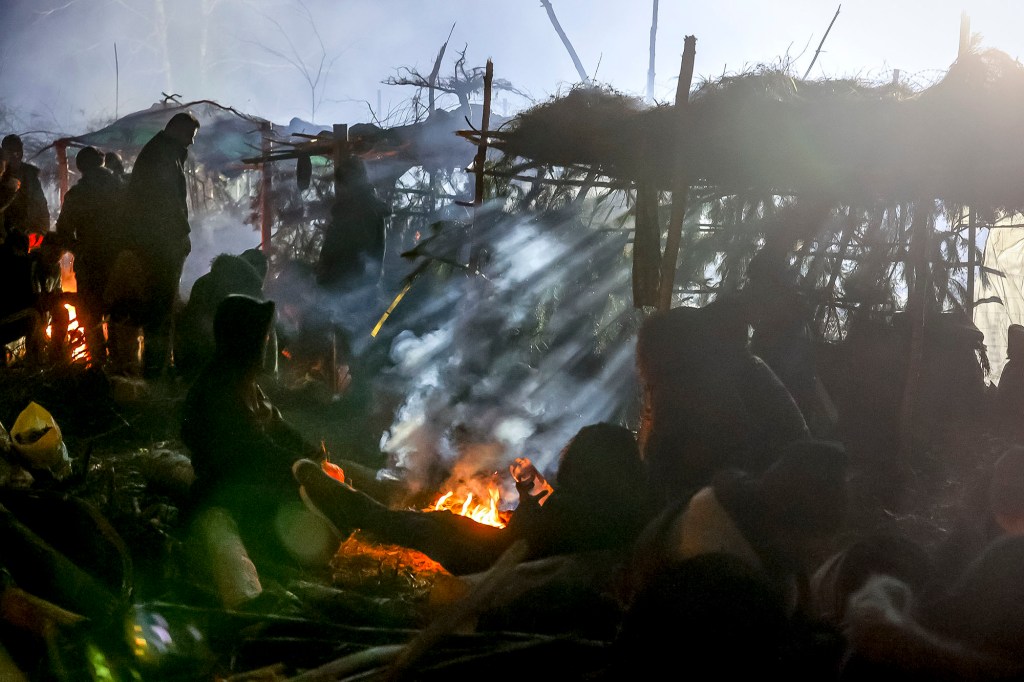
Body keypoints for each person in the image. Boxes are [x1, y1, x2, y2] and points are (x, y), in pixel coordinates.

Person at [291, 422, 659, 576]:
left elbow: (537, 523)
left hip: (488, 565)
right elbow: (555, 508)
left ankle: (347, 506)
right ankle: (347, 502)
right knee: (443, 520)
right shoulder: (617, 510)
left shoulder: (575, 515)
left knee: (429, 524)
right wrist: (527, 479)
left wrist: (524, 492)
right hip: (502, 553)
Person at [179, 295, 330, 576]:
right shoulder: (220, 389)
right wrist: (302, 468)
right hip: (226, 492)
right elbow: (255, 450)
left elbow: (276, 425)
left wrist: (310, 452)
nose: (270, 342)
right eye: (264, 336)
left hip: (248, 478)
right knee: (305, 506)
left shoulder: (244, 381)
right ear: (244, 338)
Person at [635, 299, 811, 507]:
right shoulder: (736, 364)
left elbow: (665, 459)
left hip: (770, 502)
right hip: (797, 485)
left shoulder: (691, 381)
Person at [122, 111, 200, 381]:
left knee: (160, 306)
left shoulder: (160, 152)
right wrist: (181, 235)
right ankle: (156, 371)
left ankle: (156, 367)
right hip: (161, 244)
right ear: (177, 130)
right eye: (190, 137)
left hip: (154, 242)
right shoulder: (163, 157)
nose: (191, 143)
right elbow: (168, 203)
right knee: (162, 306)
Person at [55, 146, 124, 364]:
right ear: (101, 162)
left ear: (80, 167)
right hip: (118, 260)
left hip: (89, 263)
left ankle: (98, 365)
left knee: (91, 314)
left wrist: (79, 249)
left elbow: (63, 231)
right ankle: (121, 365)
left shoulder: (76, 195)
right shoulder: (120, 188)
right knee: (118, 313)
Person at [0, 134, 50, 240]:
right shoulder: (1, 175)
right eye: (10, 151)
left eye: (18, 151)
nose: (15, 155)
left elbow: (41, 205)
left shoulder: (30, 175)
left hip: (29, 236)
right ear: (4, 153)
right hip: (5, 238)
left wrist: (41, 232)